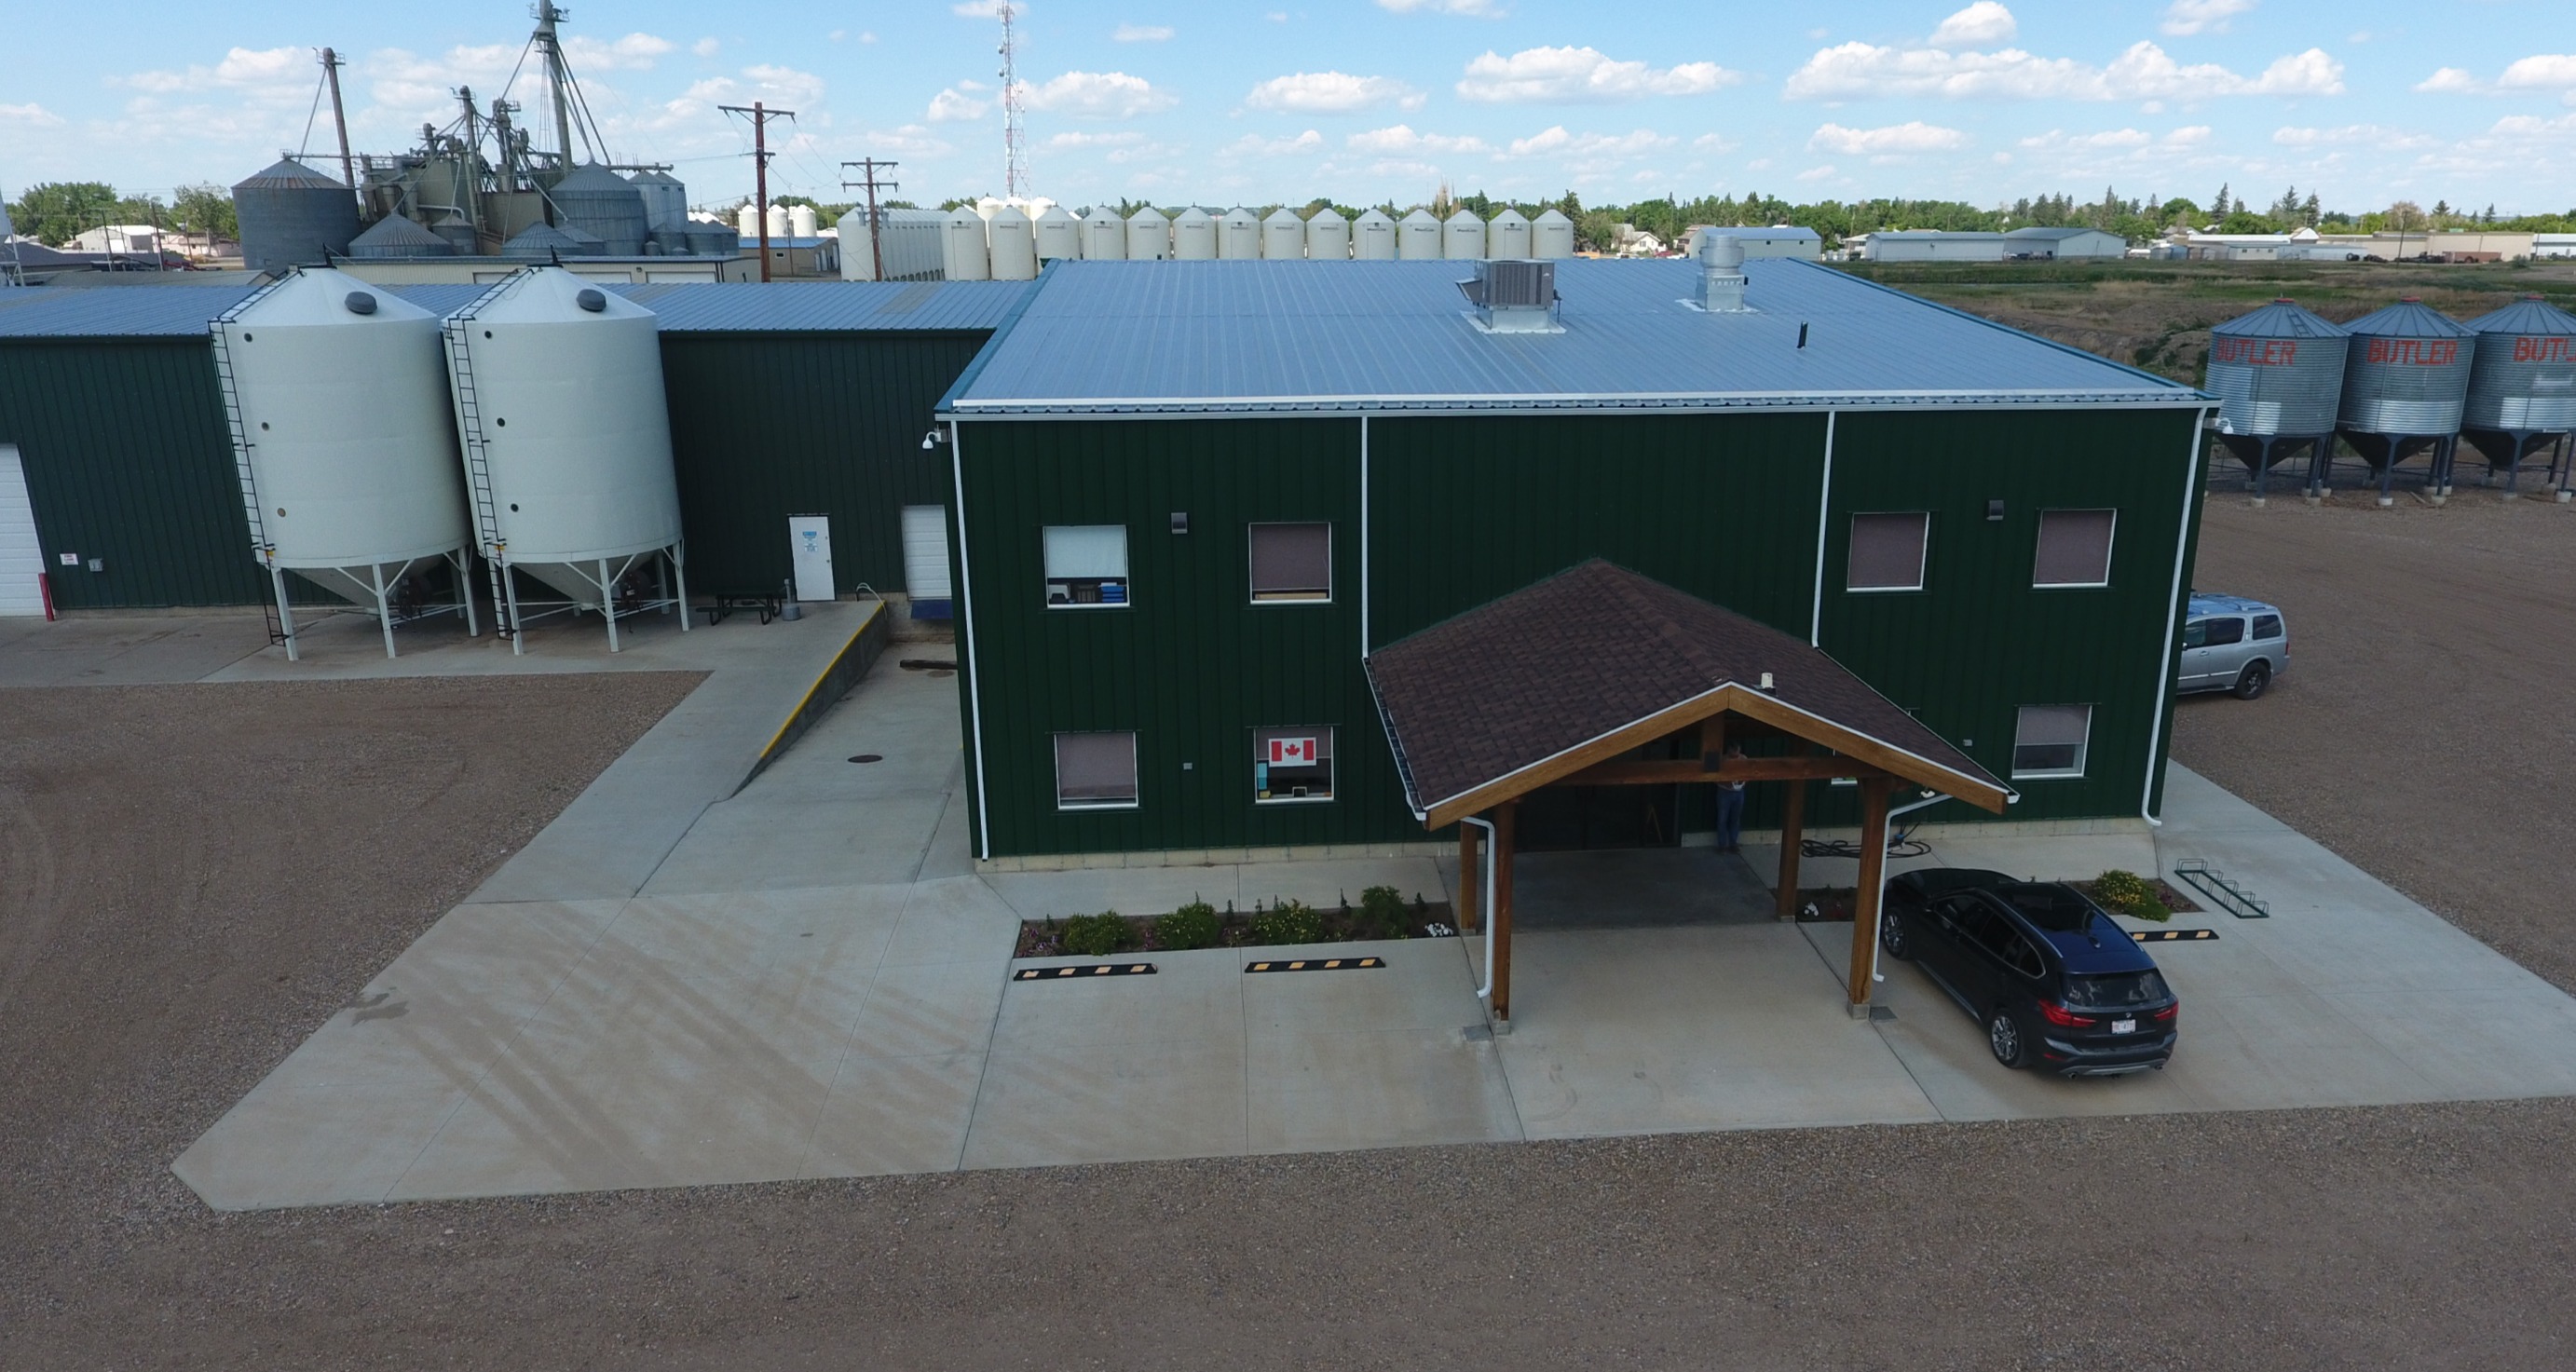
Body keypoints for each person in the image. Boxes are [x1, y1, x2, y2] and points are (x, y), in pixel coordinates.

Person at [1714, 742, 1747, 853]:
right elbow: (1714, 776)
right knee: (1722, 819)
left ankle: (1733, 843)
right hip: (1725, 792)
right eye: (1733, 756)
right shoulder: (1722, 760)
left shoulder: (1744, 760)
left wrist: (1744, 780)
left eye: (1736, 756)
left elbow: (1750, 773)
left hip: (1739, 791)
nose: (1735, 758)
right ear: (1728, 752)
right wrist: (1725, 782)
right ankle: (1722, 845)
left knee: (1735, 819)